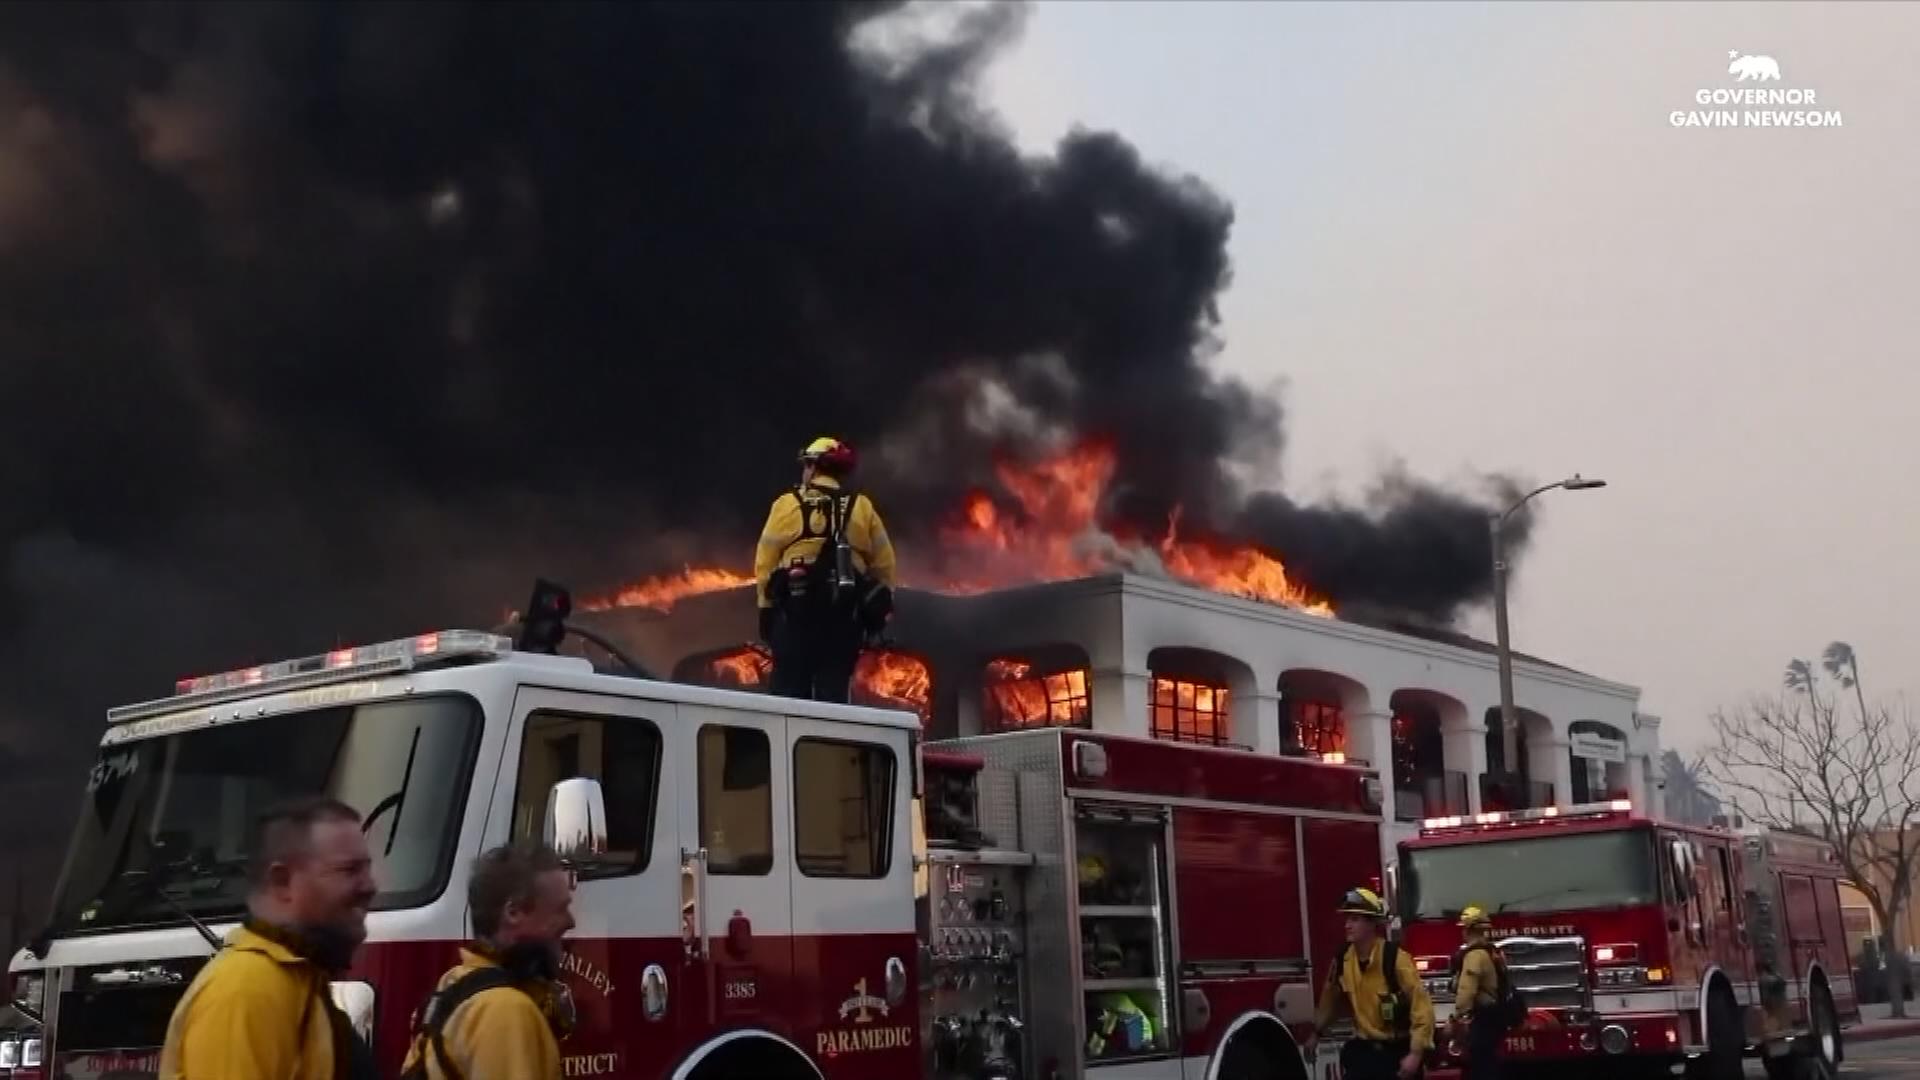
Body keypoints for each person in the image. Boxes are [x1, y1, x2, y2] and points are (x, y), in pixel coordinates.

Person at [158, 795, 380, 1080]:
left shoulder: (300, 979)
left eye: (367, 868)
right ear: (282, 882)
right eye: (349, 870)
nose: (370, 886)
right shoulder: (246, 991)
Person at [400, 842, 579, 1080]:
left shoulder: (456, 984)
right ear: (513, 913)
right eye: (560, 909)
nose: (571, 921)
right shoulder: (505, 1010)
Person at [754, 435, 897, 702]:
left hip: (794, 615)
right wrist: (877, 609)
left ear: (813, 466)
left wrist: (766, 609)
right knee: (833, 698)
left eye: (806, 465)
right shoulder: (861, 507)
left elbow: (765, 562)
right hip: (843, 618)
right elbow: (885, 566)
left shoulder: (787, 504)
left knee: (788, 699)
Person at [1305, 886, 1434, 1080]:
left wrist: (1415, 1054)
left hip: (1396, 1054)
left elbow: (1421, 1007)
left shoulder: (1395, 958)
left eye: (1355, 919)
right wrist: (1316, 1033)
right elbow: (1329, 1000)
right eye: (1347, 919)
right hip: (1364, 1053)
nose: (1347, 925)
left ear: (1372, 924)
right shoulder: (1343, 960)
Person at [1450, 906, 1506, 1080]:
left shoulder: (1474, 956)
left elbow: (1466, 990)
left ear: (1468, 929)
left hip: (1481, 1019)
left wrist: (1458, 1018)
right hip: (1493, 1017)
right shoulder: (1491, 952)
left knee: (1479, 1067)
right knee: (1489, 1063)